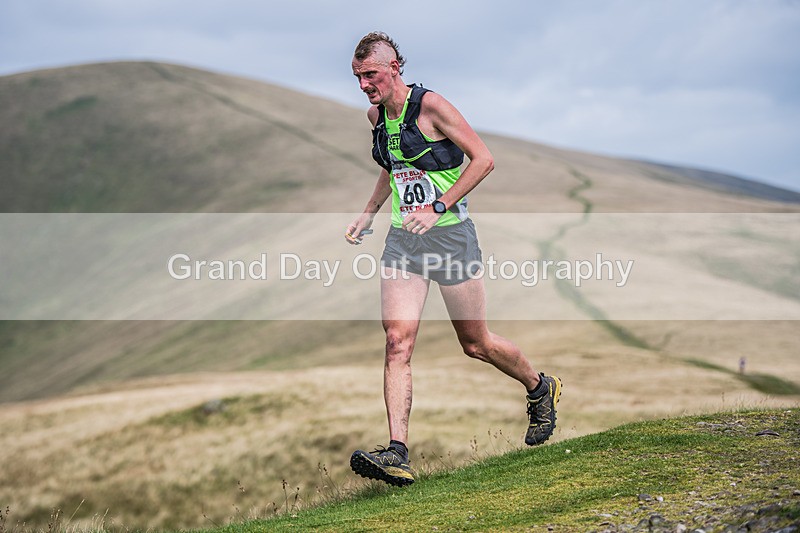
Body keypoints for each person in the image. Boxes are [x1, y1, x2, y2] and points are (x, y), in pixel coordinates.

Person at [346, 31, 562, 487]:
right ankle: (397, 453)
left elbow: (483, 159)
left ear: (394, 69)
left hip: (450, 238)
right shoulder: (376, 116)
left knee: (476, 343)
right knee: (397, 342)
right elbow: (393, 166)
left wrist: (438, 206)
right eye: (358, 77)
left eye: (371, 75)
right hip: (404, 241)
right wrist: (368, 213)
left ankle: (540, 388)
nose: (365, 84)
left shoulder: (431, 106)